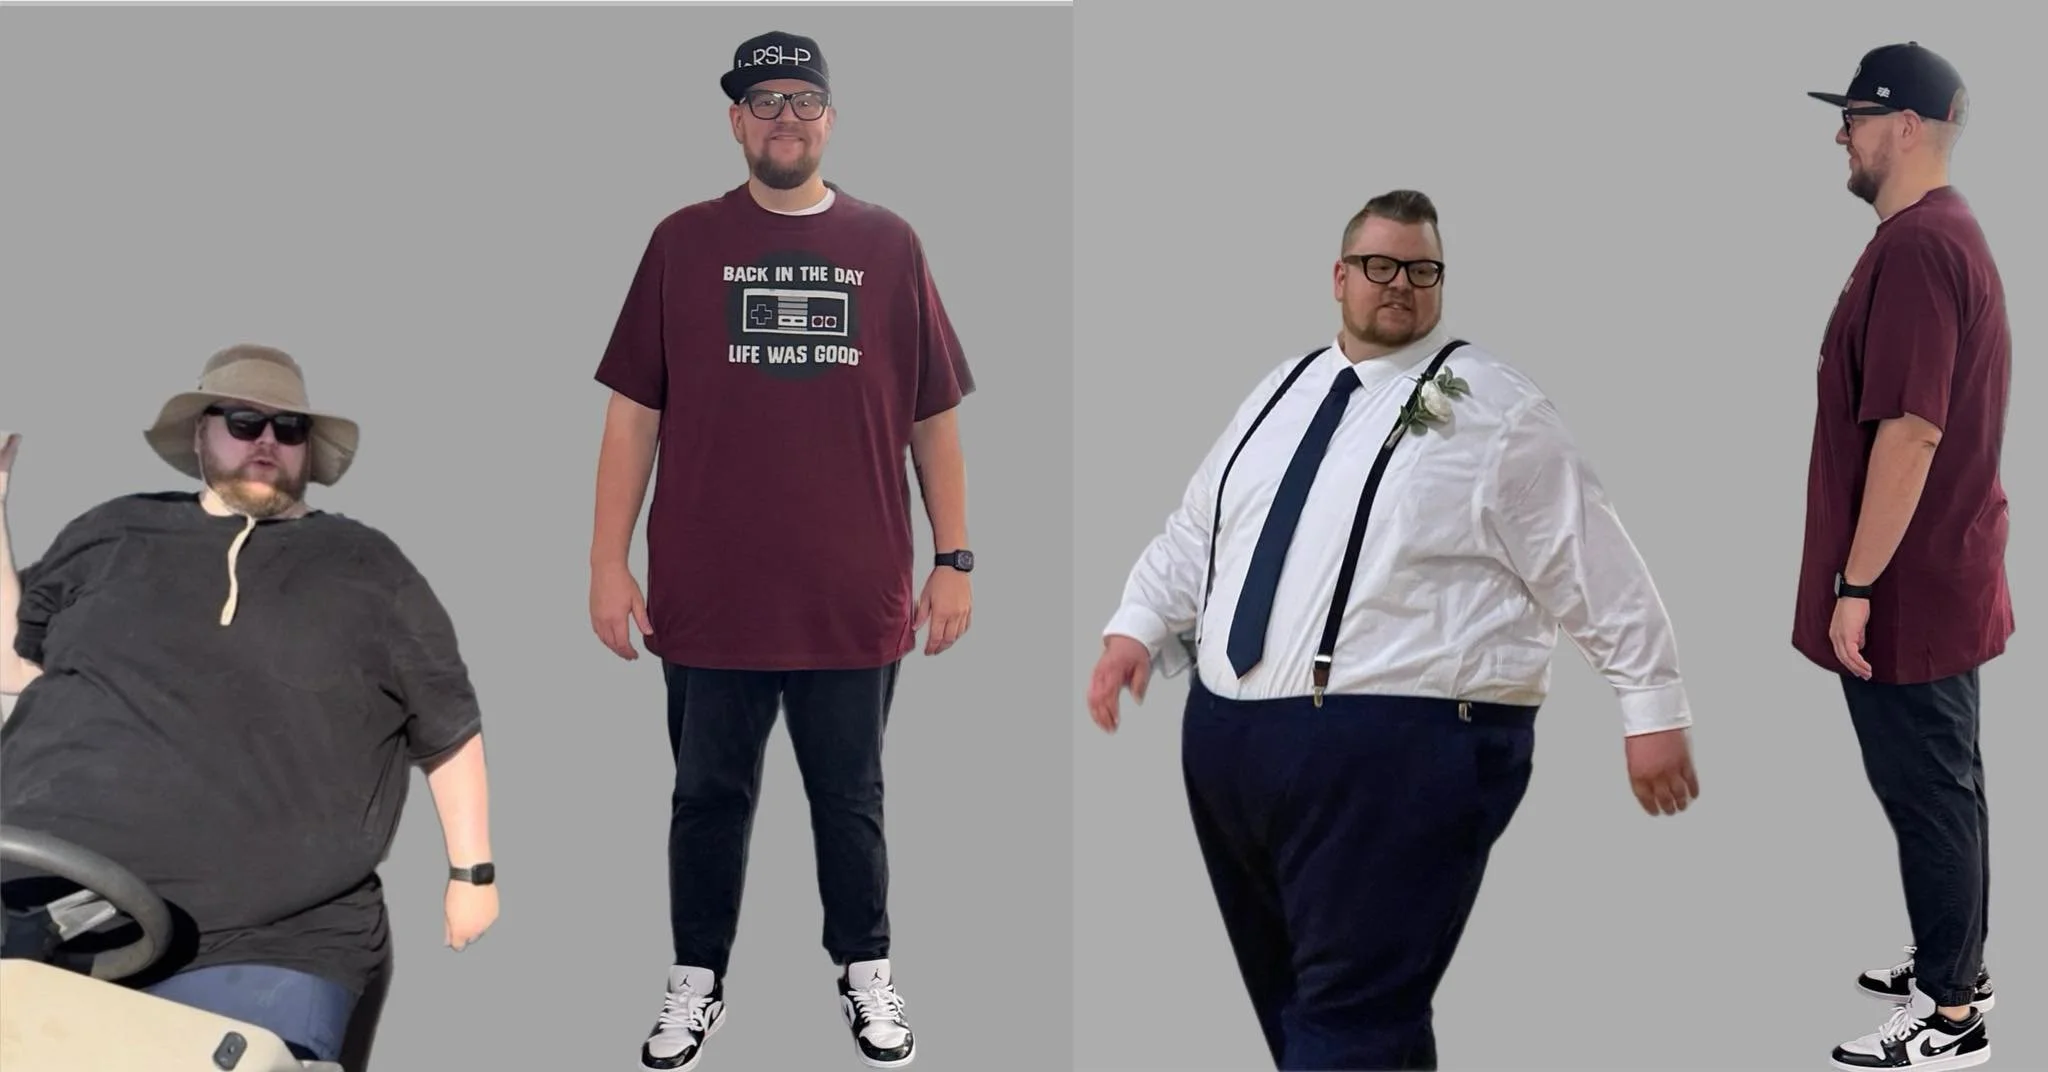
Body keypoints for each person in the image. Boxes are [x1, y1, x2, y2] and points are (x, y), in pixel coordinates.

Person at [1085, 189, 1701, 1071]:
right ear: (1339, 278)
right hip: (1232, 739)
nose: (1399, 285)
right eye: (1379, 266)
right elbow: (1203, 529)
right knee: (1302, 1007)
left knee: (1352, 1024)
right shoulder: (1281, 388)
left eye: (1422, 270)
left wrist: (1652, 705)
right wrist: (1136, 627)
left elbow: (1586, 554)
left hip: (1395, 749)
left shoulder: (1497, 407)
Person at [586, 29, 976, 1072]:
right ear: (733, 122)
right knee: (705, 797)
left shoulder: (889, 244)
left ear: (830, 119)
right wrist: (605, 563)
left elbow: (932, 417)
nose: (784, 118)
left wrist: (956, 557)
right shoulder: (680, 242)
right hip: (708, 599)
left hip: (854, 597)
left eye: (803, 99)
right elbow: (632, 417)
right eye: (763, 102)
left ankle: (865, 967)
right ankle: (696, 978)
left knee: (850, 798)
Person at [0, 344, 500, 1066]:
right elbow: (16, 663)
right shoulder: (111, 529)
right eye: (241, 420)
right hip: (36, 889)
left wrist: (472, 875)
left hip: (261, 936)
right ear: (200, 433)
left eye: (288, 428)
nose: (266, 441)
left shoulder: (367, 566)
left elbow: (448, 725)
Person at [1799, 42, 2007, 1072]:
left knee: (1926, 788)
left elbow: (1910, 430)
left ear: (1906, 127)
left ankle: (1951, 1013)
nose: (1839, 131)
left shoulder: (1920, 247)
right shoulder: (1934, 234)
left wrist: (1855, 585)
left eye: (1855, 114)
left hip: (1906, 588)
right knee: (1945, 782)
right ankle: (1952, 952)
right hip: (1937, 573)